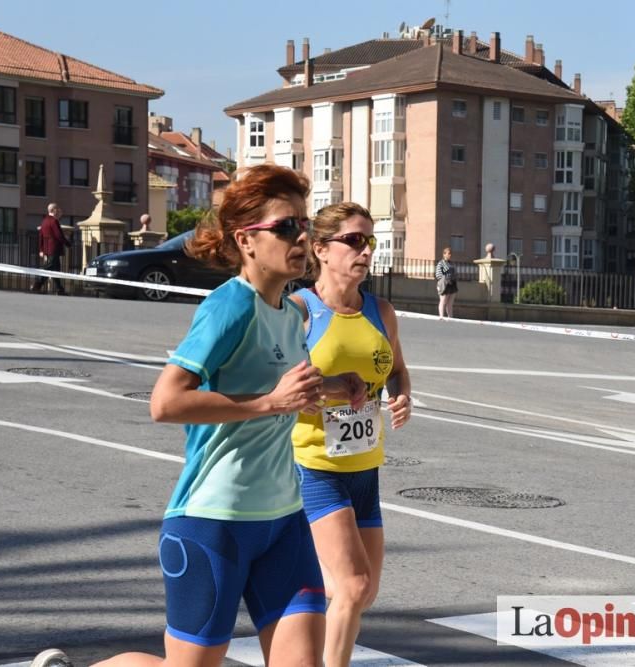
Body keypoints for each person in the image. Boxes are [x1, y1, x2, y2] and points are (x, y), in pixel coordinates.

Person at [31, 165, 365, 667]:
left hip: (283, 521)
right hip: (214, 522)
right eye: (285, 227)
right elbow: (166, 403)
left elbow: (283, 388)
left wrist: (335, 386)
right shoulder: (230, 307)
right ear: (246, 241)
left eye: (305, 226)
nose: (301, 238)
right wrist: (268, 403)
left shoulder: (293, 313)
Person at [290, 202, 412, 667]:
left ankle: (297, 651)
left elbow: (397, 370)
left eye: (370, 241)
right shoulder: (300, 310)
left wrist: (401, 395)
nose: (365, 251)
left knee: (360, 592)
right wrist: (330, 386)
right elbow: (273, 383)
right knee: (354, 585)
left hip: (365, 470)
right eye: (354, 240)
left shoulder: (381, 310)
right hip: (315, 466)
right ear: (321, 249)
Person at [30, 203, 71, 296]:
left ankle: (60, 289)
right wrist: (68, 243)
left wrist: (41, 249)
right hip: (54, 249)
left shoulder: (44, 221)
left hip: (47, 249)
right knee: (49, 266)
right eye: (58, 209)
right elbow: (59, 235)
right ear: (54, 210)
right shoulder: (54, 221)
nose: (59, 211)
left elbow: (40, 236)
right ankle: (37, 283)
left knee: (55, 270)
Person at [435, 247, 458, 320]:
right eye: (448, 253)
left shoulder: (452, 263)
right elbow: (438, 275)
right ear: (444, 254)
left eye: (450, 253)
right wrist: (446, 279)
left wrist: (453, 278)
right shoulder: (441, 263)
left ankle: (450, 317)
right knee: (443, 300)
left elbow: (455, 273)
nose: (450, 255)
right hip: (444, 285)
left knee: (450, 303)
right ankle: (441, 316)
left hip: (452, 284)